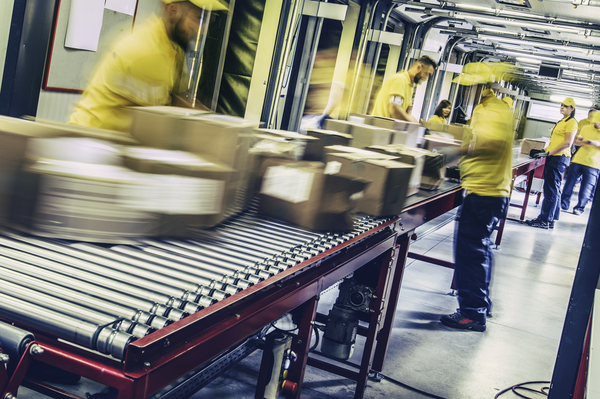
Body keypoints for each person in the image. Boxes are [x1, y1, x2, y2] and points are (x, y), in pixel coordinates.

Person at [69, 0, 225, 133]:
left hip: (106, 146)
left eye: (207, 21)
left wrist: (217, 122)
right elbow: (160, 124)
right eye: (198, 18)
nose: (204, 29)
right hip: (89, 144)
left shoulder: (169, 47)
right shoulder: (147, 52)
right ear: (173, 10)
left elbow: (175, 98)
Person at [438, 63, 514, 332]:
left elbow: (491, 144)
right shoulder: (495, 109)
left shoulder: (492, 110)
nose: (468, 92)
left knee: (471, 253)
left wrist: (455, 152)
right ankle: (481, 305)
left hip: (486, 192)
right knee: (479, 249)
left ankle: (473, 313)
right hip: (489, 189)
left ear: (483, 86)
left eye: (471, 86)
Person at [525, 98, 578, 229]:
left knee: (551, 189)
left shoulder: (572, 122)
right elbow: (555, 141)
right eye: (561, 105)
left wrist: (549, 153)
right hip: (554, 156)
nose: (562, 107)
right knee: (553, 189)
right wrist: (543, 150)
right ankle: (551, 219)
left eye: (566, 106)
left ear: (572, 109)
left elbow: (567, 143)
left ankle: (545, 220)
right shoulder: (562, 121)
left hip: (559, 158)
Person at [371, 56, 438, 122]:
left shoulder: (410, 86)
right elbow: (394, 108)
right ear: (418, 67)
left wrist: (419, 126)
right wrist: (414, 126)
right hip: (380, 126)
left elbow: (407, 113)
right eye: (426, 74)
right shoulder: (400, 80)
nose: (426, 79)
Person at [560, 111, 600, 215]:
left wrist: (596, 143)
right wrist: (582, 142)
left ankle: (579, 208)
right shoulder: (586, 128)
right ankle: (563, 204)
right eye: (595, 122)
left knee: (586, 188)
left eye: (598, 123)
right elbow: (575, 141)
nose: (596, 124)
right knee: (569, 183)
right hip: (578, 160)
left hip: (594, 164)